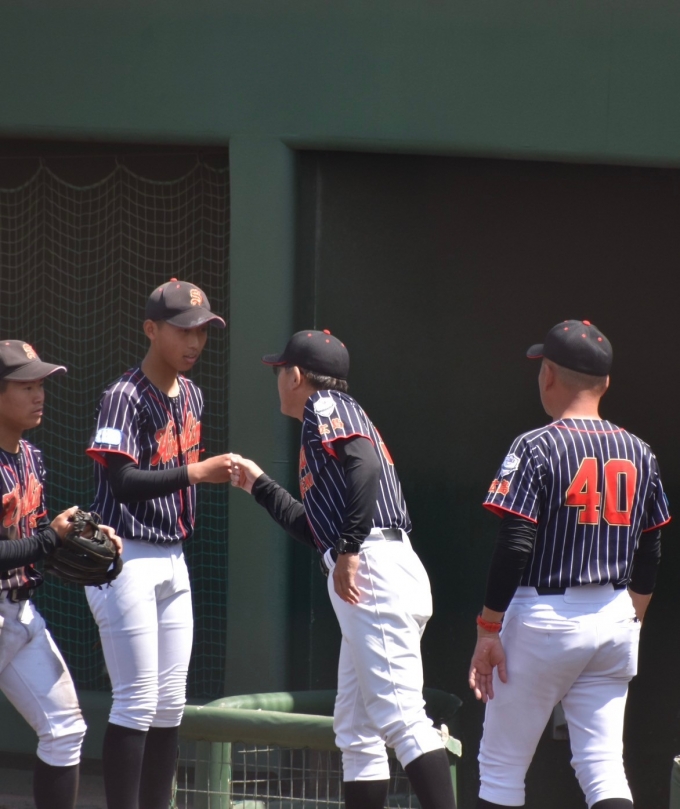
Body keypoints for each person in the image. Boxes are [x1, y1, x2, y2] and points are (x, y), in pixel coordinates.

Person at [228, 329, 456, 809]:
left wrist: (349, 548)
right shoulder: (321, 428)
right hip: (373, 565)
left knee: (402, 718)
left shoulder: (326, 405)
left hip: (371, 563)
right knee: (357, 730)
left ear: (294, 375)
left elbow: (364, 464)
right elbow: (314, 528)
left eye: (279, 371)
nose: (277, 379)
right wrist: (259, 485)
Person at [469, 320, 671, 809]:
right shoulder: (641, 452)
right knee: (603, 767)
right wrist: (633, 620)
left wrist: (488, 628)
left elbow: (516, 543)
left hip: (545, 617)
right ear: (606, 382)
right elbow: (651, 549)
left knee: (500, 769)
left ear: (549, 375)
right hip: (615, 615)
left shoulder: (535, 445)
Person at [85, 279, 232, 809]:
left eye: (202, 331)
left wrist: (195, 474)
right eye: (183, 330)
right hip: (124, 554)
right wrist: (196, 472)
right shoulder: (123, 396)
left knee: (170, 705)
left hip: (174, 556)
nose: (195, 341)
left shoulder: (192, 394)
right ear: (151, 329)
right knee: (136, 701)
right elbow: (122, 481)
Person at [0, 339, 121, 809]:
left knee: (65, 730)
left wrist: (81, 537)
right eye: (26, 386)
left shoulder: (31, 457)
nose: (39, 395)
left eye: (41, 385)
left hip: (19, 614)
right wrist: (50, 540)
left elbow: (34, 538)